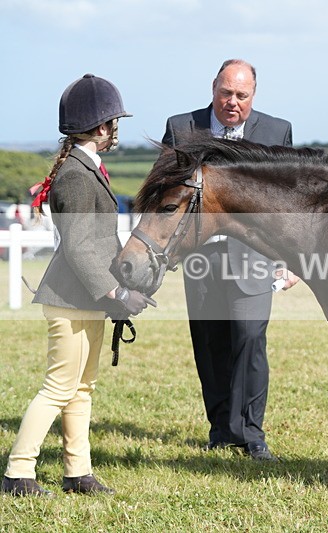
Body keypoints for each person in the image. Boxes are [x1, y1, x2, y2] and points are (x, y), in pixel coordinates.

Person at [2, 74, 155, 497]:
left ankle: (77, 470)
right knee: (57, 387)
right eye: (113, 122)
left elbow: (102, 241)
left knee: (82, 388)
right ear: (102, 126)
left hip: (87, 297)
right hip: (71, 298)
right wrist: (116, 293)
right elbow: (80, 246)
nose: (115, 129)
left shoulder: (87, 168)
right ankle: (17, 472)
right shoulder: (75, 175)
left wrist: (129, 278)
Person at [162, 59, 297, 461]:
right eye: (226, 93)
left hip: (254, 254)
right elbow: (166, 190)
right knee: (210, 343)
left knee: (250, 338)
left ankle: (252, 433)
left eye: (242, 95)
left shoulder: (276, 132)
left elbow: (286, 201)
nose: (232, 102)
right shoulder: (182, 128)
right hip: (198, 255)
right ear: (213, 88)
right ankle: (221, 429)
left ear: (253, 96)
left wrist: (290, 260)